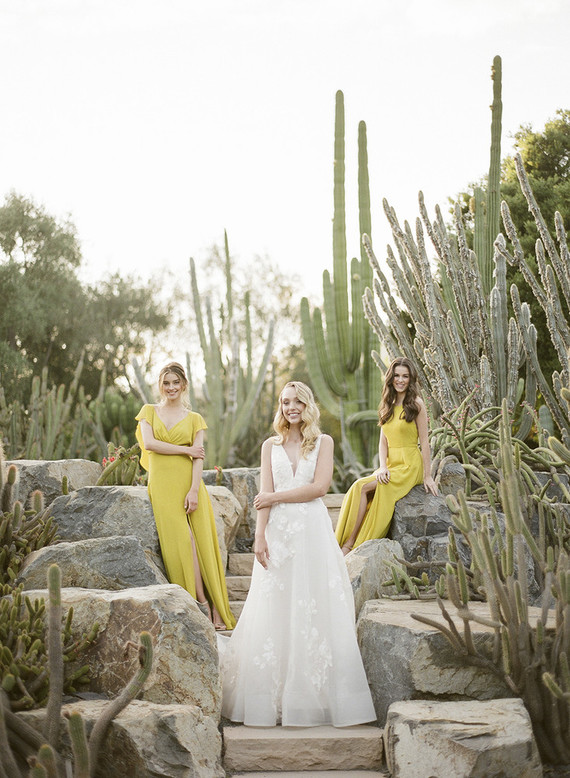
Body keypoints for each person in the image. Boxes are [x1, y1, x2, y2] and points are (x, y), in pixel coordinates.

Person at [218, 381, 376, 727]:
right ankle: (270, 697)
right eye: (286, 402)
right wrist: (259, 535)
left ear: (307, 406)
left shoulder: (322, 442)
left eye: (298, 402)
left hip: (311, 533)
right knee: (275, 607)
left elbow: (320, 488)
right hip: (277, 534)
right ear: (281, 407)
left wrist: (274, 499)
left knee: (313, 607)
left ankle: (313, 698)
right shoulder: (269, 446)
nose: (291, 408)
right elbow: (263, 493)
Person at [136, 361, 235, 631]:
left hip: (189, 484)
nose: (171, 388)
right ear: (160, 385)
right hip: (163, 483)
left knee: (201, 542)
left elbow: (199, 459)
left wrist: (194, 490)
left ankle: (214, 606)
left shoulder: (195, 419)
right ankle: (200, 603)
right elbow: (149, 444)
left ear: (184, 385)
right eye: (166, 383)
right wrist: (185, 450)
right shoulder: (149, 412)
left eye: (175, 383)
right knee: (183, 539)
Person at [335, 356, 438, 555]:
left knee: (367, 487)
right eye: (397, 375)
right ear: (390, 378)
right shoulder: (388, 403)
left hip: (409, 465)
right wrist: (383, 467)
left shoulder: (416, 404)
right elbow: (383, 442)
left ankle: (351, 544)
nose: (401, 380)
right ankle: (342, 542)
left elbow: (424, 442)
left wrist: (427, 475)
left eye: (405, 376)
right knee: (358, 487)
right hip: (391, 463)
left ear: (411, 379)